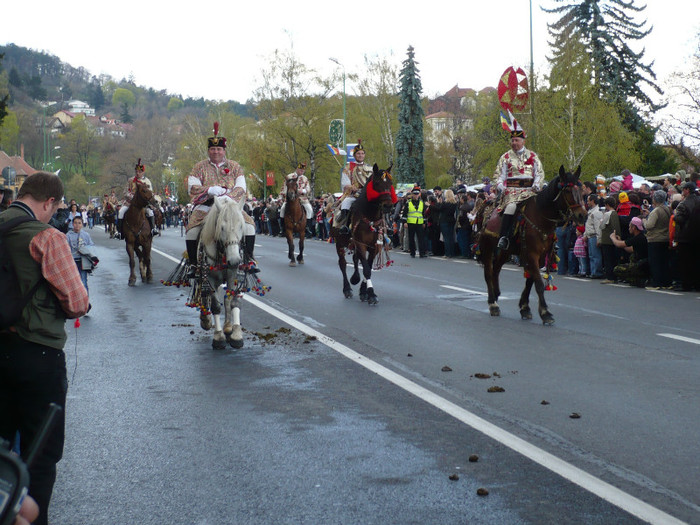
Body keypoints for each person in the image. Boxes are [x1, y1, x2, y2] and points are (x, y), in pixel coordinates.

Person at [0, 172, 90, 525]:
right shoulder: (46, 237)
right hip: (38, 353)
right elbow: (76, 301)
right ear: (49, 202)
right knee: (41, 453)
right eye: (54, 209)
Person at [185, 122, 257, 277]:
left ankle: (248, 260)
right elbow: (192, 187)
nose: (215, 152)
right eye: (212, 149)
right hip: (206, 206)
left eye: (218, 149)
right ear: (208, 150)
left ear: (224, 150)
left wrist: (227, 196)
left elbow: (241, 187)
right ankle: (193, 265)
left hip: (230, 206)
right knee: (192, 231)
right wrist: (209, 190)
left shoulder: (235, 166)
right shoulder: (199, 167)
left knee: (250, 226)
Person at [494, 122, 544, 250]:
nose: (514, 143)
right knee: (510, 207)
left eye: (517, 140)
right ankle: (503, 237)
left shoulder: (533, 156)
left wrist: (537, 185)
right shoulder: (505, 157)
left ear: (523, 141)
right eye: (512, 140)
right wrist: (501, 186)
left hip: (530, 191)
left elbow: (539, 173)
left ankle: (547, 236)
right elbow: (499, 176)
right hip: (512, 191)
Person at [335, 140, 372, 234]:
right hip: (354, 194)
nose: (360, 155)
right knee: (346, 203)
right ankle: (345, 226)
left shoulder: (370, 168)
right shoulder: (348, 167)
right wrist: (351, 187)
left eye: (362, 153)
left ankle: (384, 228)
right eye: (358, 153)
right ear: (355, 155)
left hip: (367, 195)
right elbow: (345, 182)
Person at [116, 159, 159, 239]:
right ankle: (119, 232)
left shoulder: (147, 181)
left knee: (150, 212)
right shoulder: (131, 180)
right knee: (121, 212)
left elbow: (150, 193)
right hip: (130, 203)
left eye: (139, 172)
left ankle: (153, 229)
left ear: (143, 172)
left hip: (143, 204)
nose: (137, 173)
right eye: (136, 171)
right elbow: (125, 192)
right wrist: (131, 197)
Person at [672, 181, 700, 291]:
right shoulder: (698, 201)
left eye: (683, 189)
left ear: (687, 190)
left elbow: (679, 219)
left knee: (685, 263)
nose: (682, 191)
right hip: (697, 236)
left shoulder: (684, 204)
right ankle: (697, 284)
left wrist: (674, 216)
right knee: (696, 261)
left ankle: (687, 284)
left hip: (685, 236)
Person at [642, 190, 672, 289]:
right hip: (665, 237)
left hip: (655, 238)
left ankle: (656, 283)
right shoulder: (667, 209)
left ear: (655, 199)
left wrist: (644, 221)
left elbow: (649, 225)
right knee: (664, 261)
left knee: (655, 262)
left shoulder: (656, 211)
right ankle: (666, 282)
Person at [610, 216, 649, 286]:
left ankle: (638, 277)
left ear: (634, 227)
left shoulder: (638, 238)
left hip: (641, 265)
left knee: (617, 269)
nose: (629, 228)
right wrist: (620, 240)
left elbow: (619, 245)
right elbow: (630, 249)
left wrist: (613, 238)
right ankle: (636, 278)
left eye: (630, 226)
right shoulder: (641, 236)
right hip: (643, 263)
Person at [65, 215, 98, 296]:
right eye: (75, 223)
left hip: (83, 261)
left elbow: (91, 246)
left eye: (79, 223)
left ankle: (85, 300)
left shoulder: (86, 235)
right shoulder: (68, 235)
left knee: (83, 280)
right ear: (72, 224)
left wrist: (86, 250)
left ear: (82, 224)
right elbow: (65, 248)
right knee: (73, 282)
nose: (77, 225)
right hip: (73, 261)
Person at [280, 162, 313, 230]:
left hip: (302, 198)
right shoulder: (289, 177)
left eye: (303, 171)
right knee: (282, 209)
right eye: (301, 170)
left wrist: (303, 191)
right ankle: (282, 227)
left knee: (309, 209)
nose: (302, 172)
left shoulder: (305, 178)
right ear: (297, 169)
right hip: (290, 198)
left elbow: (308, 189)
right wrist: (282, 196)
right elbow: (284, 188)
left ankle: (307, 227)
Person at [599, 195, 622, 284]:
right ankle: (614, 276)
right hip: (615, 238)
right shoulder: (615, 213)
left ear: (607, 205)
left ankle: (610, 277)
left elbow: (602, 226)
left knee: (608, 259)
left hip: (607, 239)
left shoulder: (607, 214)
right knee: (613, 258)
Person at [402, 186, 426, 258]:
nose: (416, 195)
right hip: (411, 223)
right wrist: (405, 222)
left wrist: (424, 222)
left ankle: (422, 253)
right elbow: (404, 214)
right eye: (414, 194)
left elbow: (423, 214)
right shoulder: (408, 203)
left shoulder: (421, 203)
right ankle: (412, 252)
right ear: (412, 194)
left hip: (419, 223)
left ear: (419, 194)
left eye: (417, 194)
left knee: (421, 238)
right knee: (411, 238)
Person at [584, 194, 604, 278]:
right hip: (589, 235)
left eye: (588, 200)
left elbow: (598, 227)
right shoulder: (591, 211)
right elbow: (588, 225)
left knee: (596, 255)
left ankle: (597, 272)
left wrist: (599, 239)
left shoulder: (597, 212)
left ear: (592, 201)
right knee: (591, 255)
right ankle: (593, 272)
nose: (587, 202)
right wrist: (585, 234)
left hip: (594, 236)